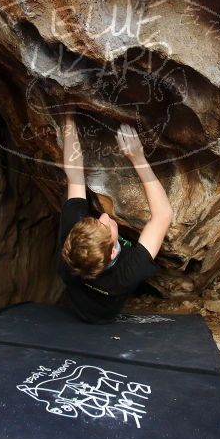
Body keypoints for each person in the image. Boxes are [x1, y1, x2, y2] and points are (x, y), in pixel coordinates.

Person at [56, 108, 173, 323]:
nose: (104, 217)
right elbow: (163, 215)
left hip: (77, 306)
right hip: (107, 314)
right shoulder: (128, 271)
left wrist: (69, 117)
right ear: (112, 254)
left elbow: (74, 177)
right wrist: (137, 158)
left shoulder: (69, 249)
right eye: (107, 226)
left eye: (95, 220)